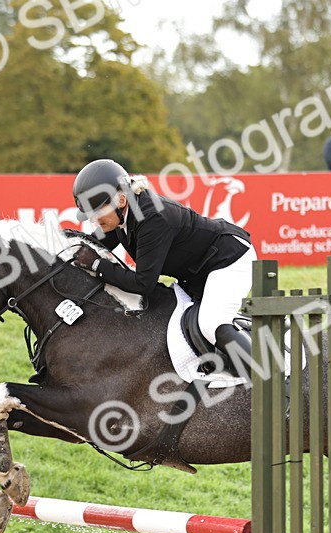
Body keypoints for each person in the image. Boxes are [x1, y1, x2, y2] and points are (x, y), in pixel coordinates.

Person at [72, 158, 256, 378]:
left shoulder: (152, 218)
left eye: (97, 212)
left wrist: (96, 265)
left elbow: (143, 283)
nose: (94, 220)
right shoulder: (123, 213)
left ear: (121, 200)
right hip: (197, 274)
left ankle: (270, 379)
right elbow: (93, 245)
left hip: (229, 259)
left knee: (210, 322)